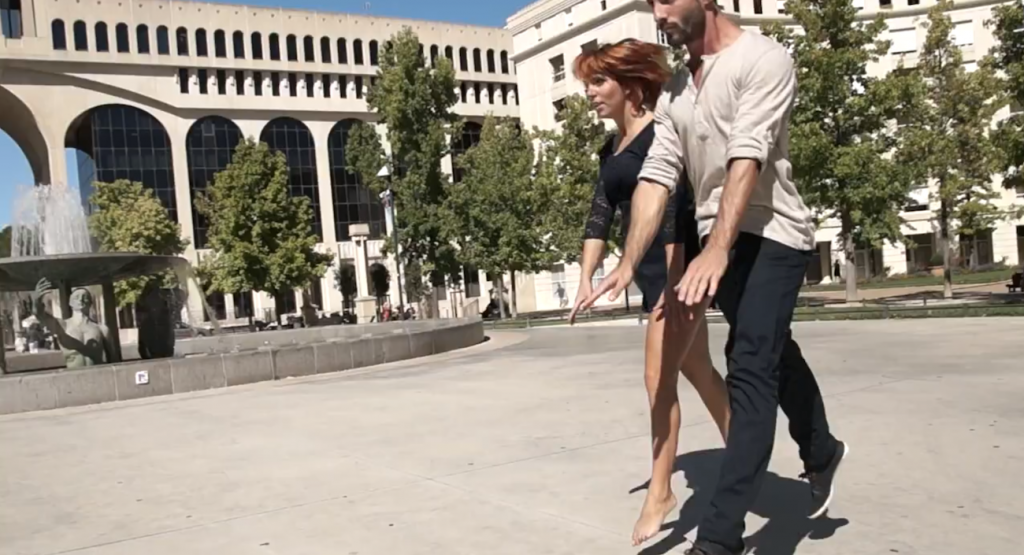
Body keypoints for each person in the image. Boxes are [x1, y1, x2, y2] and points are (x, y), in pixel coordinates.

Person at [584, 1, 848, 553]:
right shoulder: (679, 89)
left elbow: (746, 154)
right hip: (717, 240)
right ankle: (821, 448)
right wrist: (629, 261)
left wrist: (717, 249)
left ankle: (719, 538)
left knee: (749, 365)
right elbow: (657, 176)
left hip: (772, 232)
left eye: (665, 0)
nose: (658, 13)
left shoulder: (763, 58)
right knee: (774, 350)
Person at [566, 39, 730, 547]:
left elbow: (676, 210)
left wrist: (675, 284)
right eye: (587, 84)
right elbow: (600, 213)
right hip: (652, 275)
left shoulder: (663, 134)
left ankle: (661, 492)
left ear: (631, 86)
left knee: (658, 378)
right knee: (698, 370)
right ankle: (746, 445)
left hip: (678, 272)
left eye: (598, 82)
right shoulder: (611, 149)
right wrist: (585, 277)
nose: (590, 93)